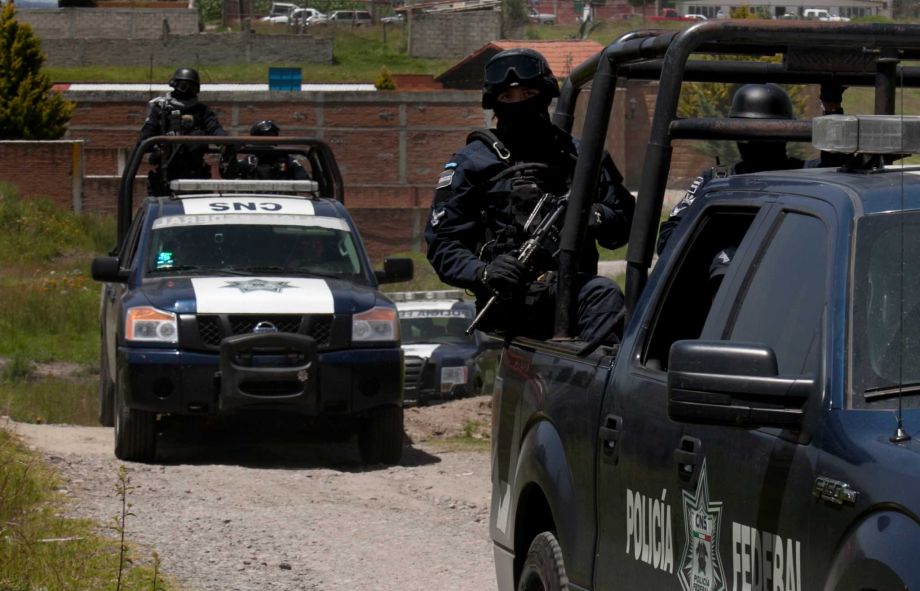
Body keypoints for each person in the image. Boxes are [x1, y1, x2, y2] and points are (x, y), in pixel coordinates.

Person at [425, 48, 635, 343]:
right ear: (493, 104)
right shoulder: (472, 163)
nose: (519, 103)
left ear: (546, 95)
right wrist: (483, 272)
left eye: (528, 93)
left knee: (606, 299)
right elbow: (443, 245)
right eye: (508, 98)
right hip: (509, 302)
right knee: (603, 295)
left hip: (572, 295)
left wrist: (592, 216)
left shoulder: (582, 157)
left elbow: (625, 224)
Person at [657, 82, 847, 254]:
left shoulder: (806, 176)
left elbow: (839, 169)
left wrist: (831, 108)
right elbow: (667, 240)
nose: (758, 146)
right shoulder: (718, 180)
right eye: (752, 136)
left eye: (767, 136)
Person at [137, 67, 226, 193]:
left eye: (192, 87)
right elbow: (145, 137)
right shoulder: (161, 110)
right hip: (167, 173)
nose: (187, 91)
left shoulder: (202, 111)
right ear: (174, 85)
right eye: (183, 86)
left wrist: (224, 143)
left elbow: (215, 129)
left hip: (196, 175)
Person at [234, 120, 310, 180]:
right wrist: (231, 153)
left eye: (272, 136)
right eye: (264, 137)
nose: (268, 141)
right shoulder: (248, 162)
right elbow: (228, 175)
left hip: (283, 198)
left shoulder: (287, 161)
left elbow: (305, 182)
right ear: (255, 139)